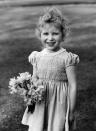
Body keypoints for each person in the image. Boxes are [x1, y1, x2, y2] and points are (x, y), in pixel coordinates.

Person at [21, 7, 79, 131]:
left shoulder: (67, 58)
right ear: (40, 35)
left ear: (63, 35)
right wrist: (28, 89)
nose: (50, 38)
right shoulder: (37, 56)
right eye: (46, 33)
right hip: (40, 104)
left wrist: (72, 112)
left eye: (55, 33)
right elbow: (35, 78)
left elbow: (73, 85)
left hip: (59, 104)